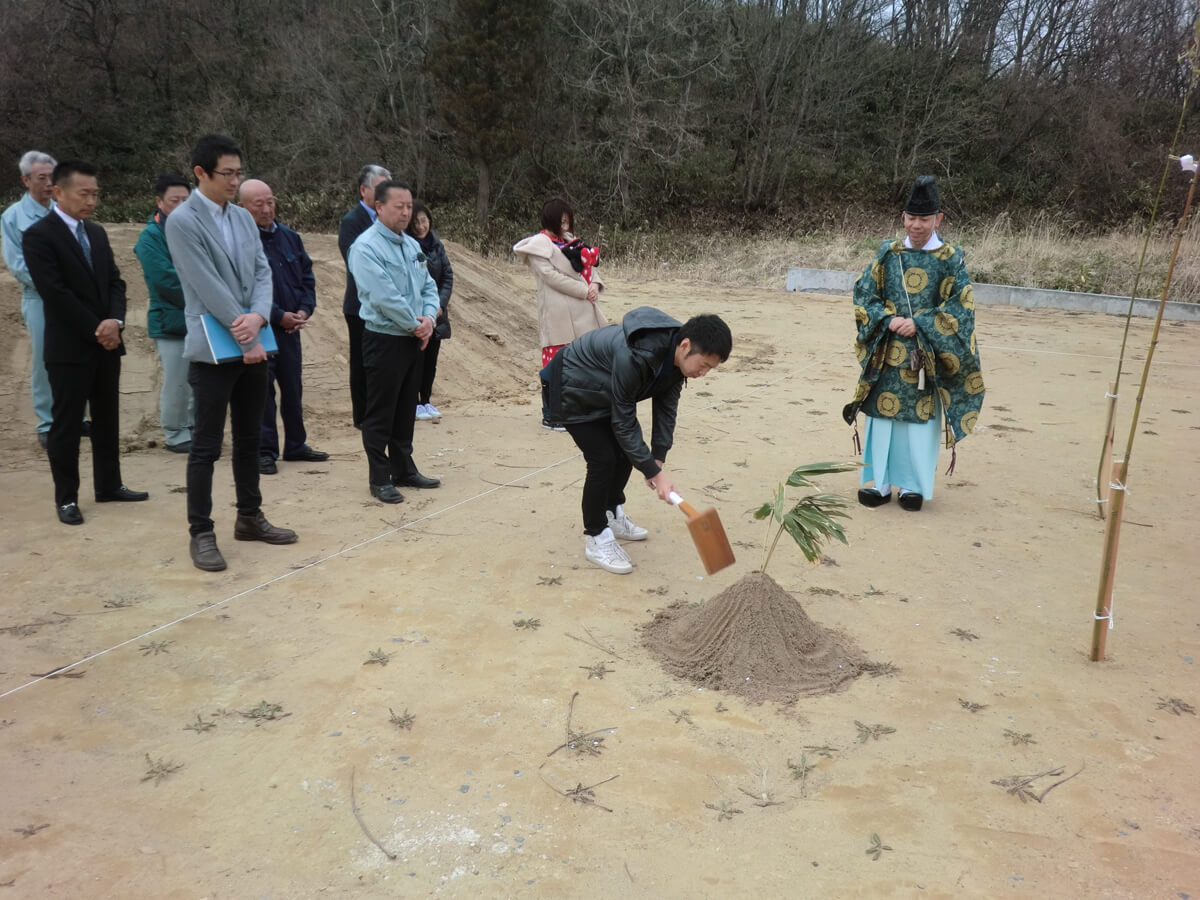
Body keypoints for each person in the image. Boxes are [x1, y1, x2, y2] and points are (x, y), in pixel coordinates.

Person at [165, 134, 298, 571]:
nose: (234, 180)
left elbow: (262, 273)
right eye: (228, 173)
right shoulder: (182, 222)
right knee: (206, 446)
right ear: (201, 173)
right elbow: (204, 285)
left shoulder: (242, 219)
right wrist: (246, 332)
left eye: (239, 172)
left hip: (254, 342)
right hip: (212, 348)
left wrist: (259, 317)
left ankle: (249, 516)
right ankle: (201, 532)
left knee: (248, 438)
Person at [541, 307, 732, 574]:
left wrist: (657, 457)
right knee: (603, 460)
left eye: (710, 369)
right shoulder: (639, 354)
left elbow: (666, 409)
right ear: (686, 345)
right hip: (570, 385)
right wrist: (653, 472)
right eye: (704, 365)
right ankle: (596, 535)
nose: (703, 374)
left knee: (626, 452)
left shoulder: (676, 358)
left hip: (602, 389)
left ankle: (611, 511)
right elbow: (623, 421)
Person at [842, 175, 985, 512]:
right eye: (911, 218)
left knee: (918, 423)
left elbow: (961, 306)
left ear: (938, 219)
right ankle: (879, 483)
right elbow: (864, 293)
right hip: (888, 350)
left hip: (926, 354)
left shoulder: (951, 258)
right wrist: (888, 320)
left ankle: (912, 486)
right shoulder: (888, 253)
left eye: (924, 218)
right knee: (883, 417)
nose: (916, 225)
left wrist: (920, 322)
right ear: (903, 217)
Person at [23, 160, 148, 525]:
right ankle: (66, 498)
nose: (92, 201)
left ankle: (109, 484)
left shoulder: (96, 233)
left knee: (107, 418)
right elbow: (55, 292)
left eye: (96, 194)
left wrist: (116, 321)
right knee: (67, 424)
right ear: (58, 192)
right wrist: (98, 327)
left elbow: (115, 283)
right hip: (70, 347)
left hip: (108, 343)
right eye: (84, 194)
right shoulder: (39, 236)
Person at [347, 180, 442, 503]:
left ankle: (404, 467)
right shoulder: (366, 247)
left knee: (405, 407)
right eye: (398, 206)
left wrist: (429, 318)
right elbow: (383, 296)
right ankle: (380, 476)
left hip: (415, 337)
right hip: (385, 338)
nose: (406, 212)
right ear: (379, 207)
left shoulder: (411, 245)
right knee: (381, 410)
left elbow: (429, 286)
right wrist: (416, 324)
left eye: (409, 206)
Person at [238, 178, 329, 473]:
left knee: (293, 387)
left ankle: (296, 444)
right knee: (262, 392)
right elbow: (247, 289)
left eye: (270, 202)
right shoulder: (240, 243)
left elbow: (307, 278)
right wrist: (278, 316)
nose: (267, 209)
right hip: (260, 329)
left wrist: (304, 310)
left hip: (292, 329)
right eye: (258, 204)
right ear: (242, 208)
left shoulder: (290, 237)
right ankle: (265, 450)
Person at [513, 198, 606, 429]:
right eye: (561, 220)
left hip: (584, 308)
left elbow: (589, 268)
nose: (565, 225)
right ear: (550, 220)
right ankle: (552, 415)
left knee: (583, 361)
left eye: (568, 220)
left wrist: (595, 284)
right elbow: (551, 277)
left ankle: (577, 410)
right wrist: (584, 290)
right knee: (555, 364)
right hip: (558, 312)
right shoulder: (538, 245)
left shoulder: (571, 241)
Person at [134, 173, 195, 453]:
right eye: (175, 200)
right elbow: (165, 279)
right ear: (159, 202)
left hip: (197, 316)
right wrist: (205, 297)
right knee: (177, 379)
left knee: (198, 378)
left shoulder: (194, 229)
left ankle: (194, 425)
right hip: (169, 318)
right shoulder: (150, 237)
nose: (182, 205)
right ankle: (175, 431)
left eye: (186, 199)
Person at [2, 150, 57, 447]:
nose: (49, 183)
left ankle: (79, 416)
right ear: (26, 180)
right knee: (44, 358)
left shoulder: (62, 210)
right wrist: (57, 287)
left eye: (52, 177)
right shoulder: (14, 217)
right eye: (41, 178)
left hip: (71, 297)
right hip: (40, 298)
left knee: (76, 356)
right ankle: (47, 422)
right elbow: (19, 266)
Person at [339, 163, 392, 429]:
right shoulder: (352, 222)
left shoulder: (390, 220)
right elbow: (355, 265)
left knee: (383, 363)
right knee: (361, 362)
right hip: (359, 304)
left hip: (387, 305)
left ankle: (381, 412)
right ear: (364, 190)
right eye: (380, 187)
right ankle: (362, 416)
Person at [406, 201, 454, 421]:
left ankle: (425, 401)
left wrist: (439, 306)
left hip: (437, 315)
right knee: (416, 361)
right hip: (416, 314)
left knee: (431, 362)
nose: (420, 226)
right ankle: (412, 403)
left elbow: (447, 277)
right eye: (415, 222)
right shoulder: (407, 245)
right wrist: (425, 309)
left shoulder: (436, 244)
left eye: (423, 220)